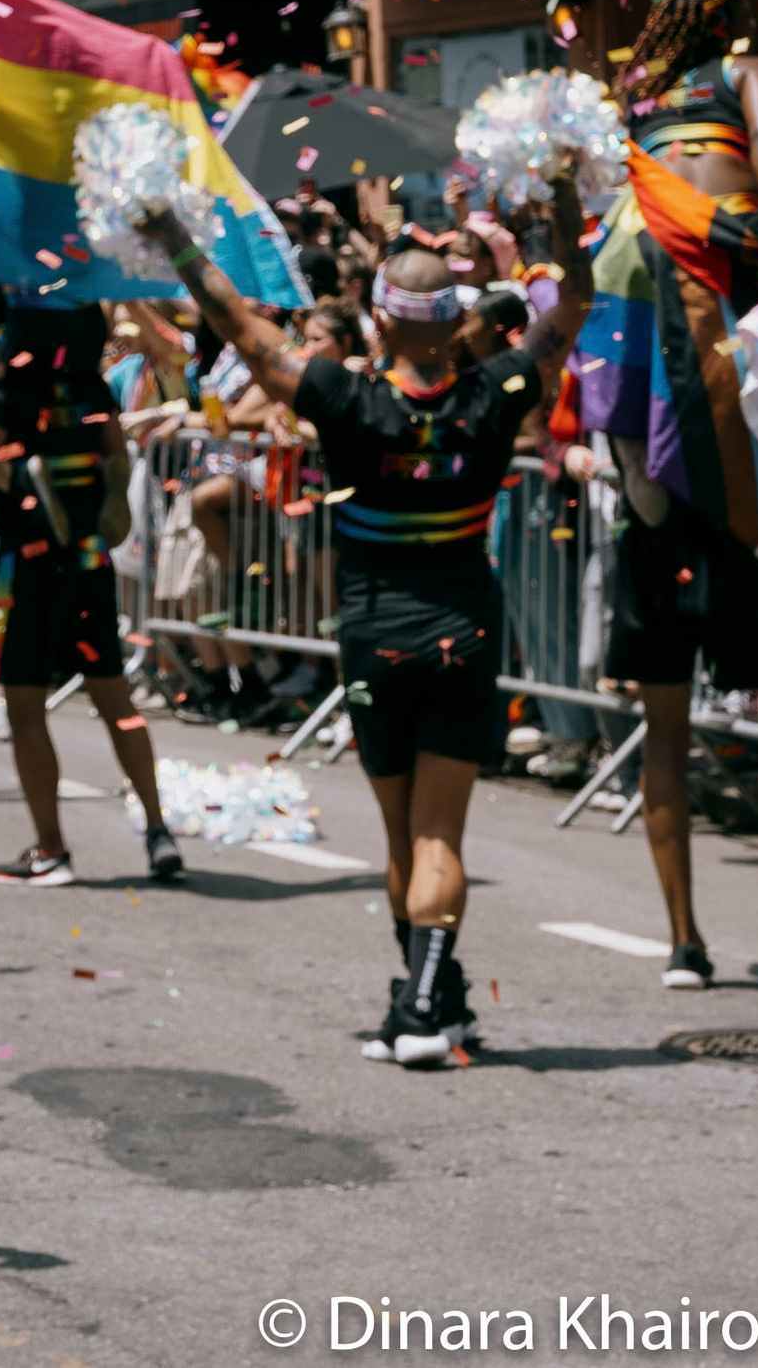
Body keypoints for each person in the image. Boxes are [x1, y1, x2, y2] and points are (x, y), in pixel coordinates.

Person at [143, 174, 592, 1066]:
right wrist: (567, 194)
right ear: (455, 321)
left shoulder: (344, 400)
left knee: (401, 834)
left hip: (372, 637)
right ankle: (433, 998)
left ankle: (423, 1001)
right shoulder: (498, 390)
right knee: (439, 834)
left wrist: (173, 234)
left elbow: (236, 324)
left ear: (381, 321)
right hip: (463, 630)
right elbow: (572, 299)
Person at [593, 0, 758, 990]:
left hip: (647, 446)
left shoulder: (634, 114)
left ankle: (684, 942)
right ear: (727, 26)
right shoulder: (748, 72)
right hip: (725, 440)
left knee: (663, 728)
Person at [0, 306, 180, 886]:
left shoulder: (3, 397)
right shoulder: (92, 386)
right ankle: (157, 830)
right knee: (116, 704)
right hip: (89, 562)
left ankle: (51, 848)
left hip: (25, 569)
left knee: (26, 710)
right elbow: (114, 453)